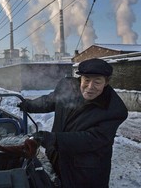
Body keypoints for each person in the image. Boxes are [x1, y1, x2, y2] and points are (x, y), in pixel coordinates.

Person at [18, 58, 128, 188]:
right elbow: (50, 101)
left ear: (107, 82)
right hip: (57, 158)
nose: (90, 87)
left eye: (97, 82)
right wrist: (28, 105)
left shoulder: (114, 109)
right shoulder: (68, 87)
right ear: (80, 78)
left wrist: (53, 139)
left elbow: (92, 139)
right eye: (86, 80)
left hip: (84, 170)